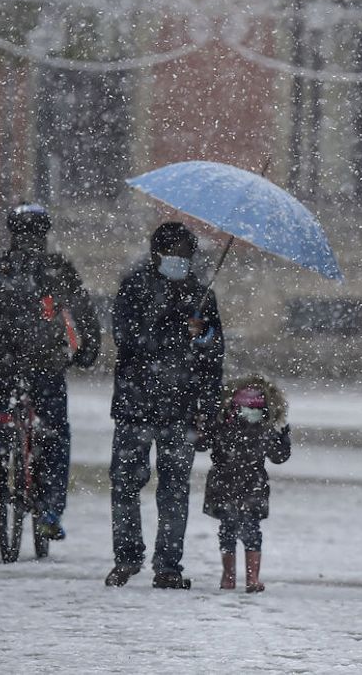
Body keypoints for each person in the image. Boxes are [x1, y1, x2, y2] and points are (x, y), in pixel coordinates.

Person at [0, 203, 100, 541]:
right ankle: (50, 510)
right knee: (56, 434)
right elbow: (83, 311)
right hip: (46, 364)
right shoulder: (57, 267)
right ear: (45, 233)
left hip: (1, 361)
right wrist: (87, 350)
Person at [105, 222, 224, 590]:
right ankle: (127, 557)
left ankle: (169, 564)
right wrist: (172, 325)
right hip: (135, 405)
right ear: (156, 254)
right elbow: (127, 338)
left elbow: (214, 353)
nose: (180, 260)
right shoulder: (134, 288)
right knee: (125, 484)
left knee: (174, 489)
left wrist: (209, 406)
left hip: (181, 409)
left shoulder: (201, 294)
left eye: (186, 255)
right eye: (174, 253)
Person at [202, 374, 291, 593]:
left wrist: (283, 439)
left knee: (245, 531)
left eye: (255, 411)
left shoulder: (258, 430)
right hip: (237, 485)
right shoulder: (226, 427)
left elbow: (279, 455)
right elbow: (202, 443)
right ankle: (234, 576)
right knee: (232, 530)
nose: (250, 416)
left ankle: (245, 577)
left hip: (243, 485)